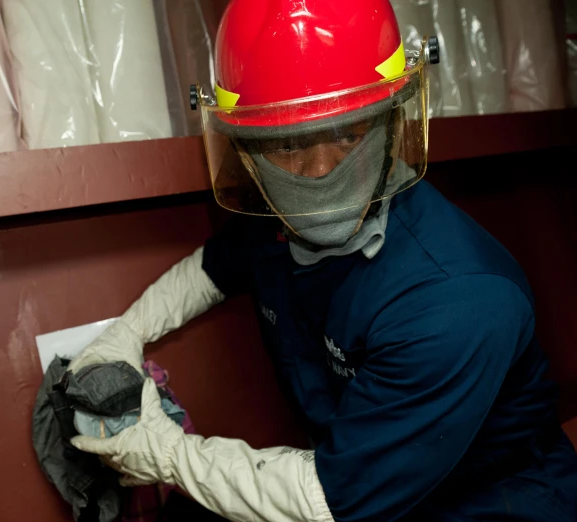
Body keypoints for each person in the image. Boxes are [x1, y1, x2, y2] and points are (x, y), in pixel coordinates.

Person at [67, 1, 577, 520]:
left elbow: (330, 498)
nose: (319, 174)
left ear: (390, 120)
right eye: (286, 144)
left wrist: (168, 455)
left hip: (491, 506)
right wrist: (125, 333)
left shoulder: (458, 301)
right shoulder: (279, 218)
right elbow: (211, 271)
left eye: (349, 134)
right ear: (246, 148)